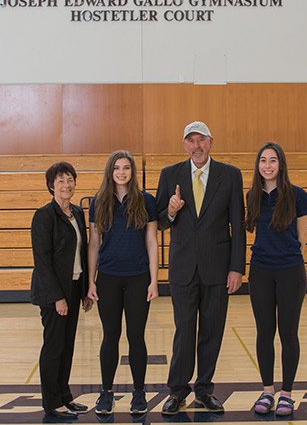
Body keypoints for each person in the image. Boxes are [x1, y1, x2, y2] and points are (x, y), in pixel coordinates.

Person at [156, 121, 246, 414]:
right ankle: (177, 390)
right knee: (184, 331)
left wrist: (236, 268)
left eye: (202, 140)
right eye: (191, 140)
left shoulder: (230, 175)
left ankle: (204, 390)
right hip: (183, 268)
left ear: (211, 142)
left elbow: (239, 225)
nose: (196, 145)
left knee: (212, 331)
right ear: (184, 145)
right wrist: (170, 211)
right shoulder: (170, 175)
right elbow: (159, 220)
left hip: (218, 269)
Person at [87, 150, 159, 415]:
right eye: (116, 167)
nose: (121, 172)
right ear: (110, 171)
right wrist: (91, 282)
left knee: (136, 336)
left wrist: (154, 281)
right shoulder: (99, 201)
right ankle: (106, 393)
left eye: (126, 168)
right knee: (111, 336)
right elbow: (94, 243)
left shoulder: (146, 201)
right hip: (108, 278)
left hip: (138, 278)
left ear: (133, 172)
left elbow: (152, 242)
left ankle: (139, 393)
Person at [246, 142, 307, 416]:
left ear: (281, 164)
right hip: (260, 271)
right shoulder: (251, 196)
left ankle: (286, 393)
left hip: (290, 272)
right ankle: (267, 391)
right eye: (263, 160)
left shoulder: (298, 195)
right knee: (264, 332)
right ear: (258, 165)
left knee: (288, 333)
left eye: (273, 160)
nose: (268, 165)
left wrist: (288, 259)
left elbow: (301, 239)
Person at [30, 162, 92, 419]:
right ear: (51, 186)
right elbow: (42, 261)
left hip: (75, 287)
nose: (67, 185)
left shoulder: (77, 212)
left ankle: (65, 396)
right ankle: (51, 402)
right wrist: (58, 297)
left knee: (67, 346)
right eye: (61, 181)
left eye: (70, 180)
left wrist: (87, 289)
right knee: (53, 347)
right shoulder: (44, 215)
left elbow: (83, 253)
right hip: (53, 293)